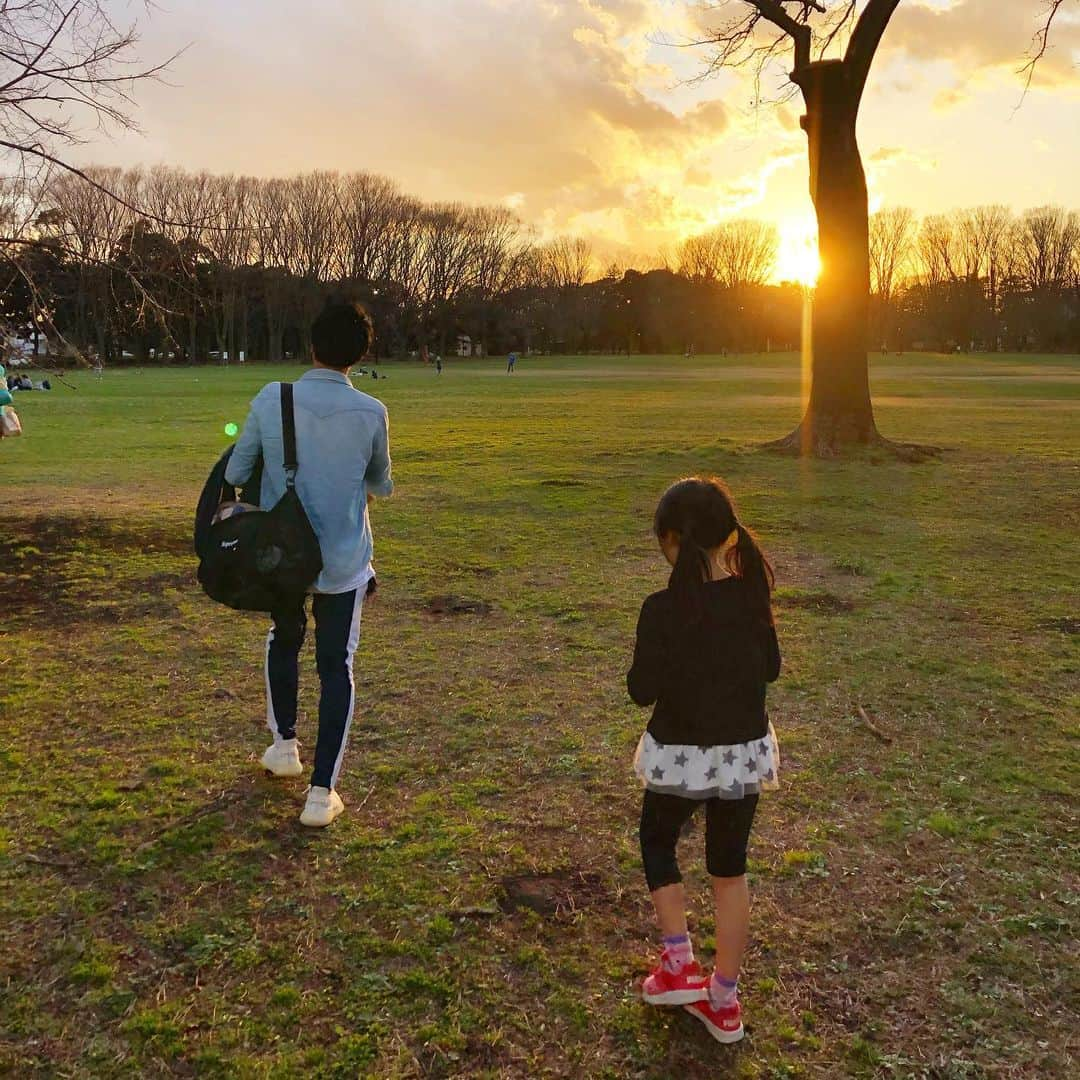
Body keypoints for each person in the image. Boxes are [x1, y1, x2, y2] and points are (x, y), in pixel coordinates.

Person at [225, 300, 394, 828]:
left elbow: (237, 467)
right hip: (343, 558)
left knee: (283, 637)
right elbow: (380, 484)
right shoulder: (372, 412)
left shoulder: (272, 399)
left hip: (283, 556)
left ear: (311, 346)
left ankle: (284, 745)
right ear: (360, 355)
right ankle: (322, 793)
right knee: (336, 666)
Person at [628, 476, 780, 1044]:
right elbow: (771, 670)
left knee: (658, 842)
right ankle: (723, 1000)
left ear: (673, 540)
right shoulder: (751, 597)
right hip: (741, 756)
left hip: (681, 753)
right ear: (726, 537)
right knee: (729, 869)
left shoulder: (662, 609)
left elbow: (641, 689)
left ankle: (679, 964)